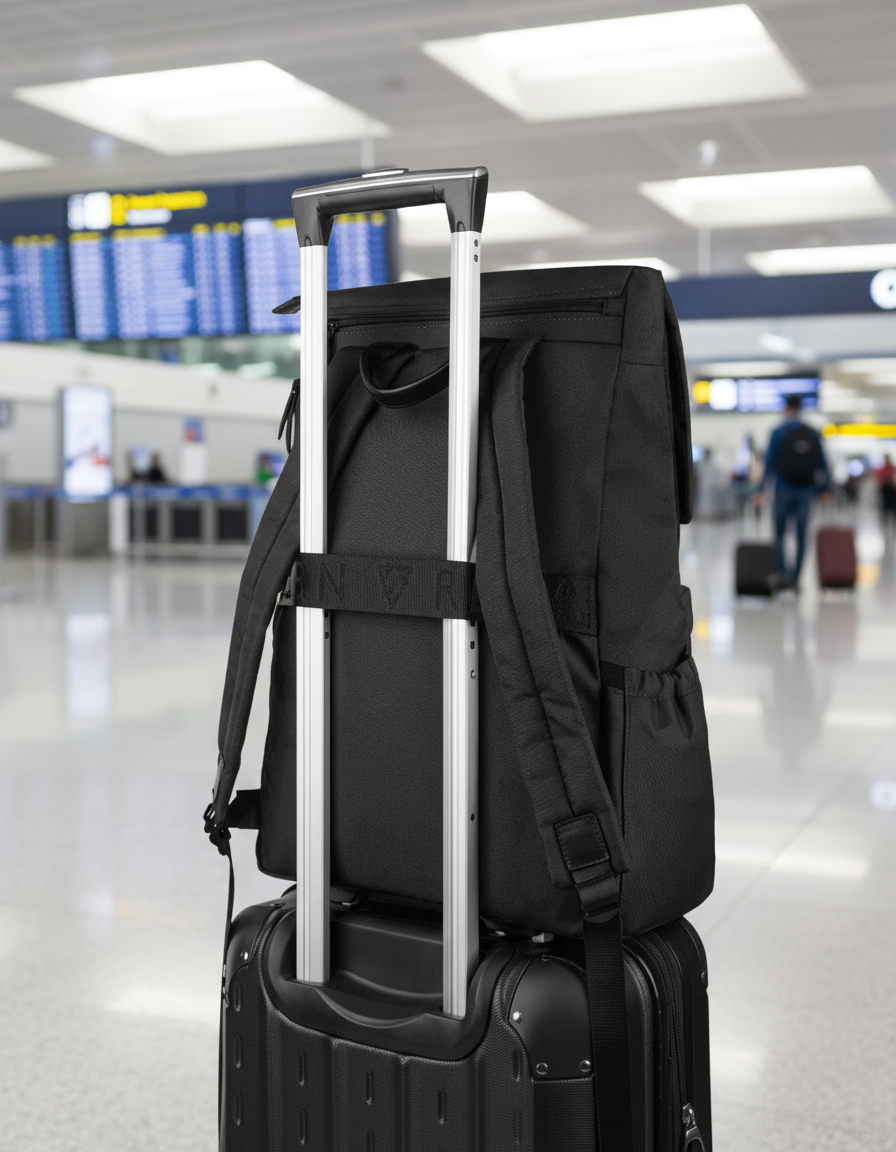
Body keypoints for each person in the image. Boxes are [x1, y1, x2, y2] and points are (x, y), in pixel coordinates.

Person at [759, 395, 831, 587]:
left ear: (785, 408)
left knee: (780, 534)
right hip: (806, 491)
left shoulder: (778, 432)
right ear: (801, 408)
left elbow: (769, 463)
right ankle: (796, 577)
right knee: (801, 535)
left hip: (783, 489)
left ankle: (783, 574)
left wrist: (761, 489)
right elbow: (822, 462)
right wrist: (825, 489)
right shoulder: (812, 432)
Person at [875, 453, 896, 526]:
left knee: (890, 508)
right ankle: (885, 522)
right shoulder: (885, 469)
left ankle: (888, 522)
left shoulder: (891, 468)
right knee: (886, 508)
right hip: (887, 490)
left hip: (891, 490)